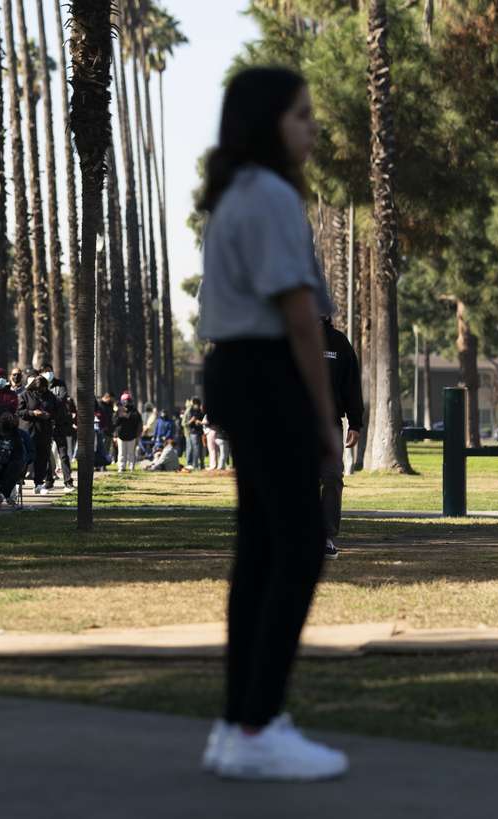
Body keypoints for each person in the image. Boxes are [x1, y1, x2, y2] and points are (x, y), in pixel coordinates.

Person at [196, 67, 346, 781]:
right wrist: (324, 417)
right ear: (266, 123)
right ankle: (258, 721)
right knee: (298, 546)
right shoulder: (275, 198)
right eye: (300, 116)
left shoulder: (233, 198)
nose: (312, 127)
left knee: (259, 549)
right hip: (265, 371)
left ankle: (238, 723)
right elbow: (298, 316)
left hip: (231, 369)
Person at [321, 315, 364, 560]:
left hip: (329, 426)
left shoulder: (338, 344)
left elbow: (352, 386)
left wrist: (355, 423)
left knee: (332, 477)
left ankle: (326, 536)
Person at [16, 375, 61, 494]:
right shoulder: (25, 395)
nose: (42, 391)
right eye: (40, 389)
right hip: (28, 431)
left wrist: (49, 415)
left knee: (42, 458)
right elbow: (19, 412)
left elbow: (57, 411)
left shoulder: (50, 396)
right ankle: (17, 482)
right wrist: (32, 413)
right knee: (25, 458)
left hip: (44, 432)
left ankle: (39, 484)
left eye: (44, 388)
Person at [113, 393, 142, 472]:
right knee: (121, 453)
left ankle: (131, 467)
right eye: (124, 401)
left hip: (131, 436)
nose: (126, 403)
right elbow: (115, 423)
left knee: (131, 453)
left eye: (127, 401)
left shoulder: (134, 411)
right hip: (121, 435)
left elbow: (138, 422)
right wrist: (120, 415)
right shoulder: (119, 410)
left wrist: (128, 415)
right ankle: (121, 467)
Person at [184, 398, 206, 470]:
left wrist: (197, 421)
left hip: (198, 432)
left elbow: (200, 420)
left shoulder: (198, 411)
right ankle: (196, 465)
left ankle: (199, 465)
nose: (194, 405)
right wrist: (193, 421)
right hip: (195, 432)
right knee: (196, 449)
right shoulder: (193, 411)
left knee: (199, 449)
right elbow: (188, 423)